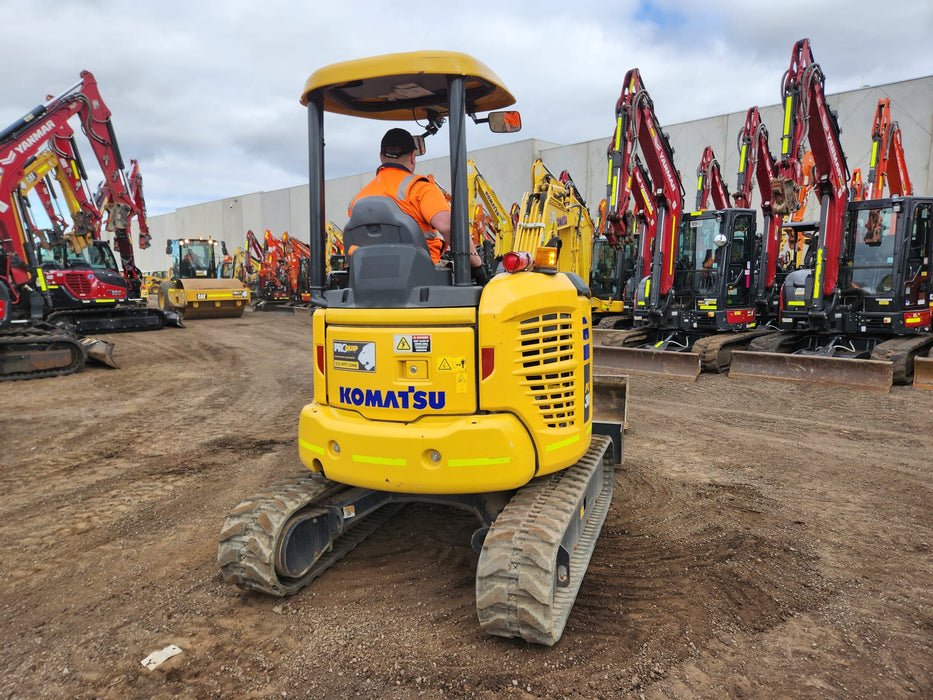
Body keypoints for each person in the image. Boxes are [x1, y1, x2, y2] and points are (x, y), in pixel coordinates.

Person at [348, 128, 484, 275]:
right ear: (413, 157)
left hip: (368, 278)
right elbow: (447, 226)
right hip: (420, 277)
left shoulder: (357, 200)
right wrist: (477, 265)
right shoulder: (419, 188)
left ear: (381, 157)